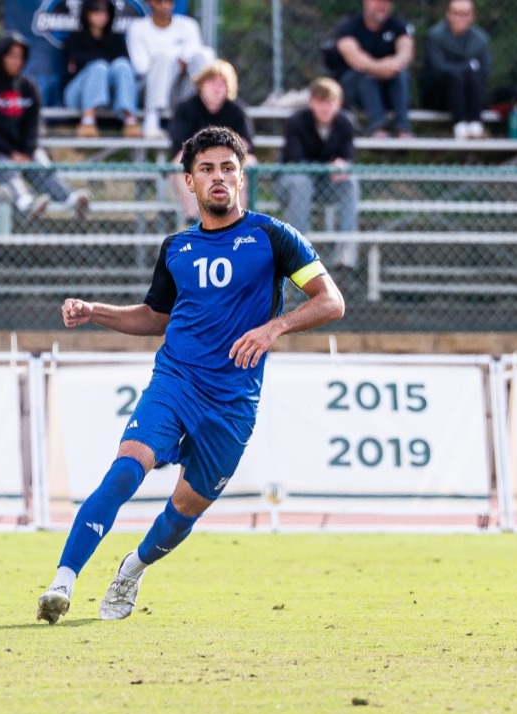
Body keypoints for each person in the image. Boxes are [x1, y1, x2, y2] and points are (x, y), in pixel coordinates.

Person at [34, 126, 346, 625]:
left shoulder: (273, 237)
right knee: (125, 469)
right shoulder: (177, 248)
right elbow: (156, 318)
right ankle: (61, 583)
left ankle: (132, 569)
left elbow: (332, 301)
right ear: (189, 181)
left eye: (227, 168)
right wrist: (98, 311)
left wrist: (274, 328)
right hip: (175, 383)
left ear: (241, 179)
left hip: (232, 403)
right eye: (207, 169)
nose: (217, 177)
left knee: (182, 515)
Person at [0, 32, 90, 219]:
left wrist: (26, 150)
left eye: (20, 57)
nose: (17, 61)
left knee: (42, 164)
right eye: (11, 56)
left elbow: (34, 125)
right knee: (6, 168)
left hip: (24, 150)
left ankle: (71, 199)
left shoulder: (28, 87)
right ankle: (26, 203)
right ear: (0, 56)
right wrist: (10, 152)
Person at [277, 77, 360, 269]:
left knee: (350, 182)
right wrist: (327, 167)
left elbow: (348, 157)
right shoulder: (297, 121)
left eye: (330, 102)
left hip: (326, 185)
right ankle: (298, 251)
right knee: (301, 182)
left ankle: (345, 251)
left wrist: (341, 167)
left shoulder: (345, 124)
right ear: (312, 102)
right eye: (320, 101)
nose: (325, 107)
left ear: (339, 103)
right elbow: (295, 160)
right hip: (291, 185)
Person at [167, 59, 253, 223]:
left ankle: (237, 220)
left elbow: (247, 145)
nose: (217, 88)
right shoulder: (186, 108)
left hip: (228, 164)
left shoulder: (236, 110)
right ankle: (193, 219)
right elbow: (180, 145)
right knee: (180, 162)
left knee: (248, 163)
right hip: (197, 164)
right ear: (201, 84)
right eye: (212, 82)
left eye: (222, 84)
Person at [125, 0, 214, 138]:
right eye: (160, 2)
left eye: (169, 2)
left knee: (205, 55)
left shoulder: (188, 25)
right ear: (150, 3)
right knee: (162, 59)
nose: (166, 6)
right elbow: (141, 67)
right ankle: (152, 121)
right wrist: (173, 62)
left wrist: (181, 65)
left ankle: (202, 117)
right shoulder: (138, 28)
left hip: (182, 92)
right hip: (149, 91)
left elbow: (196, 56)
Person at [332, 0, 414, 138]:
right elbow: (354, 57)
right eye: (378, 2)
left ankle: (403, 128)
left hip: (386, 91)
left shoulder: (397, 25)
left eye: (387, 2)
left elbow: (406, 50)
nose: (383, 6)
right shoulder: (349, 27)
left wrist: (395, 64)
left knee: (401, 74)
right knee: (366, 75)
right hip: (354, 92)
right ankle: (377, 128)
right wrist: (379, 67)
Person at [63, 0, 139, 138]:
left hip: (110, 100)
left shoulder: (117, 41)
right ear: (87, 13)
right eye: (96, 11)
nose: (101, 15)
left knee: (122, 64)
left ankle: (130, 120)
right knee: (99, 67)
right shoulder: (75, 40)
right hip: (76, 97)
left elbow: (122, 73)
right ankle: (88, 120)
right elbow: (72, 69)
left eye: (105, 11)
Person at [420, 0, 490, 140]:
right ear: (448, 14)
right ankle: (460, 129)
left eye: (465, 14)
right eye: (456, 13)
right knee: (454, 76)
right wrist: (468, 66)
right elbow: (437, 69)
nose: (460, 18)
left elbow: (484, 72)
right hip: (439, 96)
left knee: (472, 78)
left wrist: (466, 70)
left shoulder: (480, 39)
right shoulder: (435, 35)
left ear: (473, 16)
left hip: (470, 97)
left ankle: (476, 126)